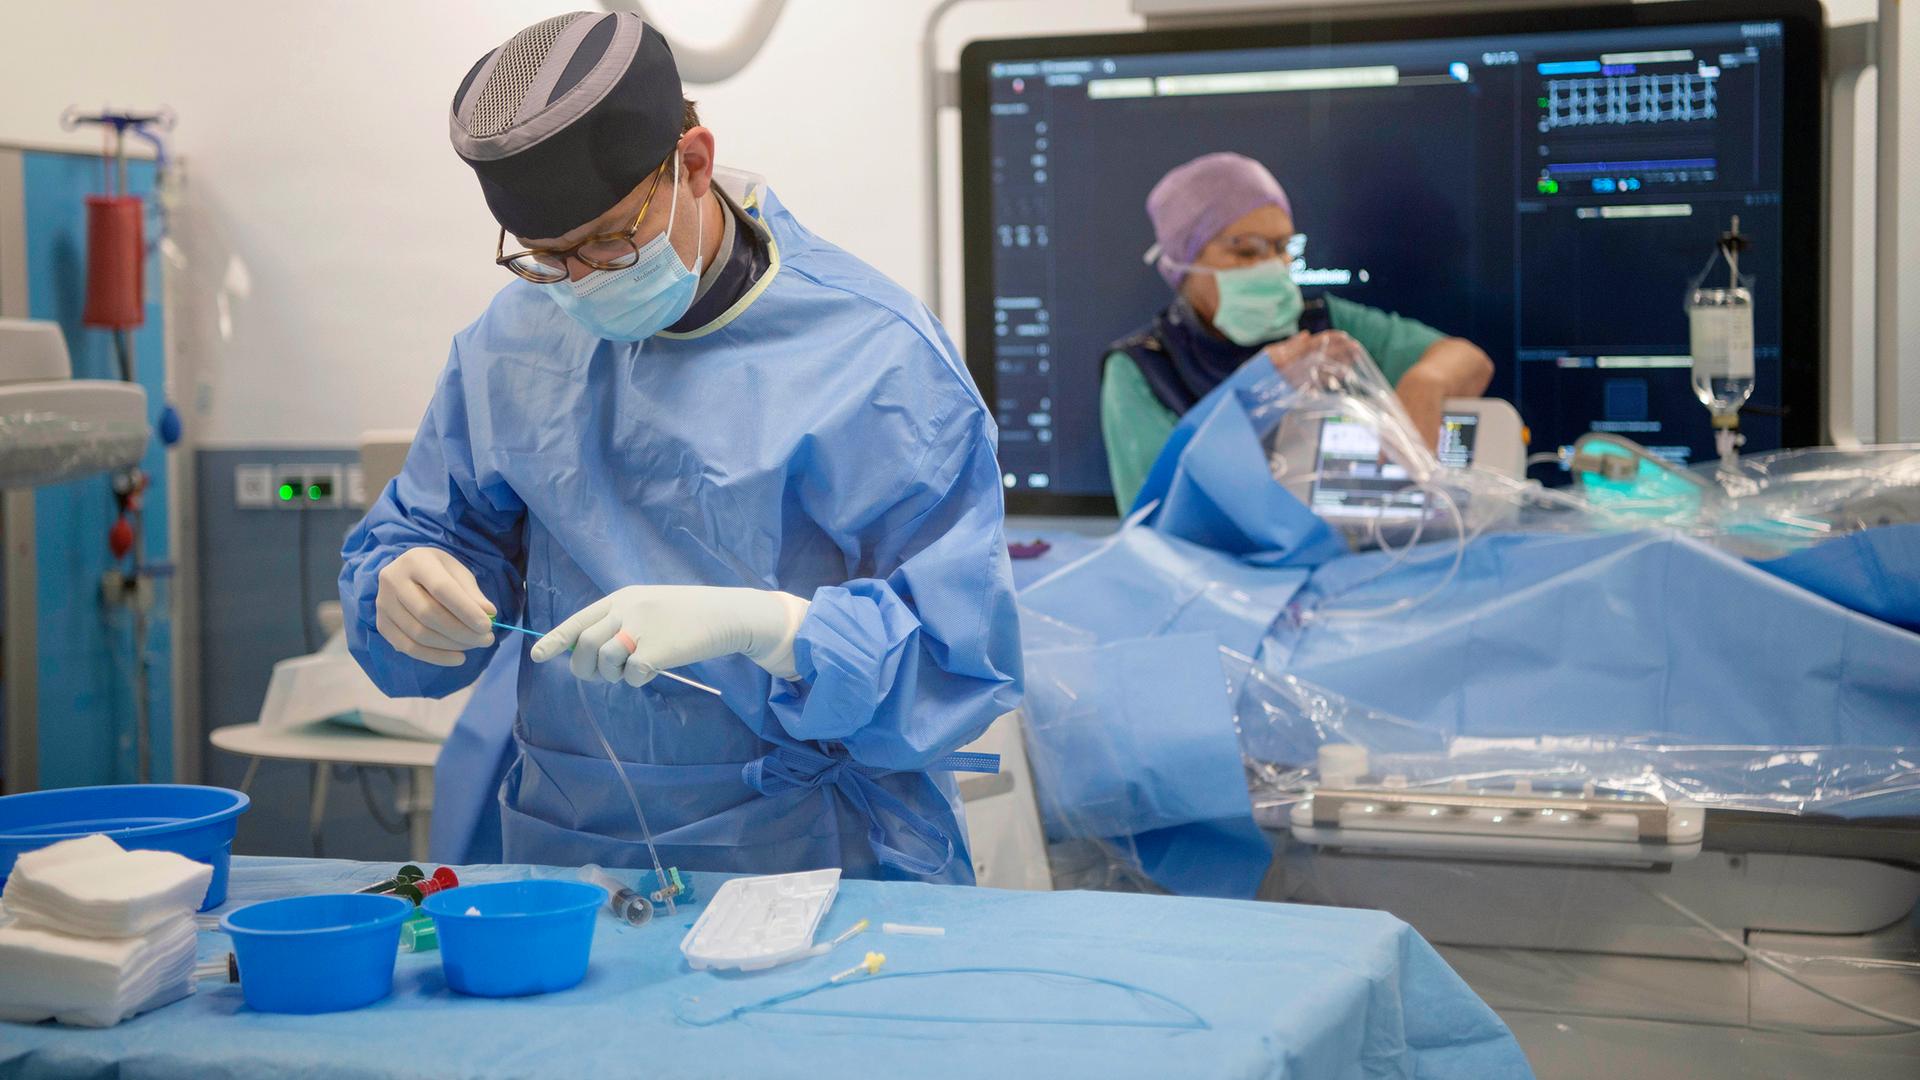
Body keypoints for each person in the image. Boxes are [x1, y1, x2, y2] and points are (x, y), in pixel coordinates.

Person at [339, 11, 1021, 883]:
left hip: (816, 862)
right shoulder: (511, 342)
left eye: (609, 242)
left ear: (693, 163)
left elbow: (960, 662)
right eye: (547, 258)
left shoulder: (878, 358)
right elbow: (436, 539)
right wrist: (407, 589)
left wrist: (776, 629)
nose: (579, 284)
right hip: (574, 854)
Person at [1102, 152, 1494, 511]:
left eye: (1281, 247)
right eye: (1246, 251)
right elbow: (1158, 515)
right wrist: (1264, 393)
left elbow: (1467, 359)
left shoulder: (1327, 328)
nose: (1272, 266)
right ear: (1184, 261)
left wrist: (1426, 382)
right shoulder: (1144, 369)